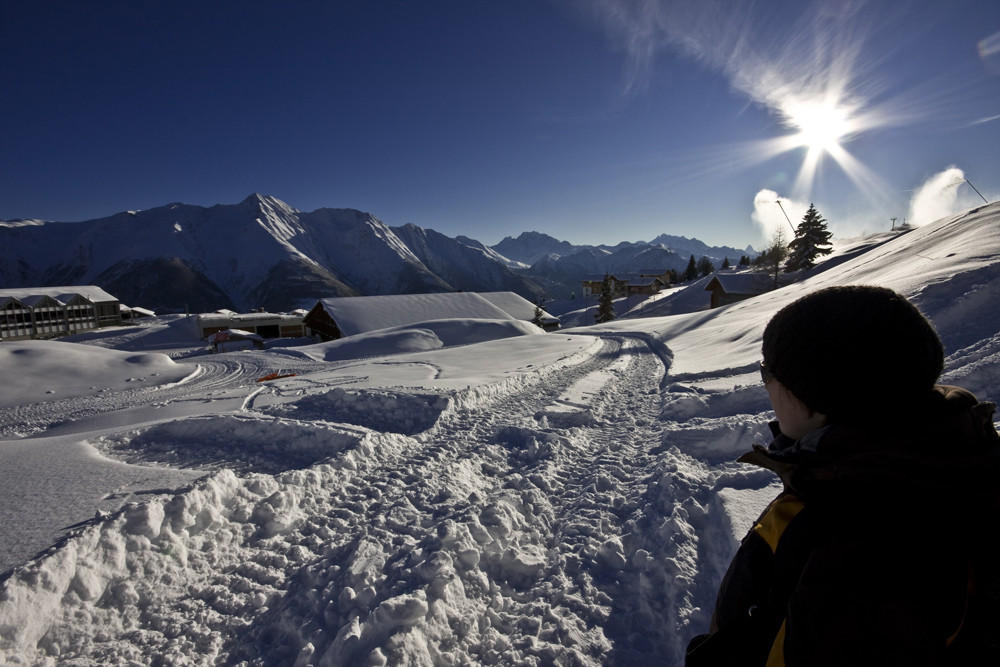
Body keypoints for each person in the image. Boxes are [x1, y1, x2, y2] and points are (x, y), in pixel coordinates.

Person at [685, 285, 1000, 666]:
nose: (765, 382)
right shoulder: (923, 471)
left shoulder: (863, 549)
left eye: (768, 370)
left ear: (820, 402)